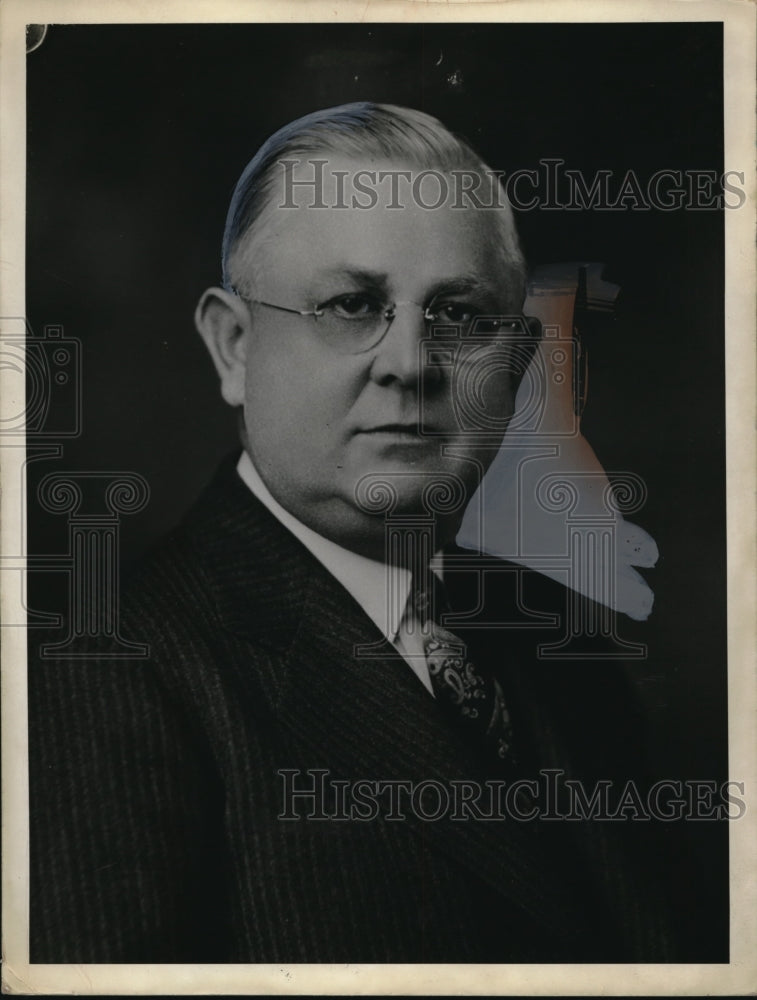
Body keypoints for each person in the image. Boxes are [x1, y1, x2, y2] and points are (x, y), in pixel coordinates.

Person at [29, 102, 679, 963]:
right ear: (233, 347)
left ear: (515, 365)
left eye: (459, 314)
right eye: (350, 304)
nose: (410, 362)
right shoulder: (104, 675)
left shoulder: (565, 632)